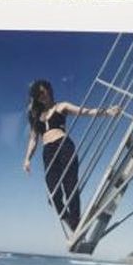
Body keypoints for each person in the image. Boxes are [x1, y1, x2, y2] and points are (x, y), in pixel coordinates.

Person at [23, 79, 121, 233]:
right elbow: (33, 139)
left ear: (48, 90)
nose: (41, 96)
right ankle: (69, 219)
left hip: (64, 146)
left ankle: (75, 222)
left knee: (70, 186)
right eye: (38, 95)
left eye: (43, 92)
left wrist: (107, 112)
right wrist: (27, 159)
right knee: (53, 193)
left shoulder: (61, 106)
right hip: (48, 152)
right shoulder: (37, 117)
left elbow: (85, 111)